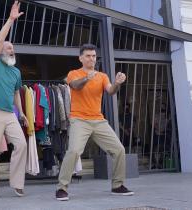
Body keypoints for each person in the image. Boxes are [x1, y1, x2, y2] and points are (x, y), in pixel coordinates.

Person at [55, 44, 134, 201]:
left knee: (119, 150)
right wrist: (86, 78)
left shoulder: (102, 76)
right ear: (81, 58)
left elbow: (111, 91)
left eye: (93, 56)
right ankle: (62, 188)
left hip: (98, 120)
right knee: (74, 151)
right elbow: (75, 86)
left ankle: (117, 186)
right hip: (79, 119)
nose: (91, 58)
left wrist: (117, 83)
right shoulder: (74, 73)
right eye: (88, 56)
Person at [0, 1, 28, 199]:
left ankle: (17, 184)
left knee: (22, 144)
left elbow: (17, 93)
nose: (11, 49)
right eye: (8, 47)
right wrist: (10, 20)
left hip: (10, 114)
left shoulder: (16, 71)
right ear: (1, 51)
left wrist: (23, 113)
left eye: (13, 47)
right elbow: (0, 40)